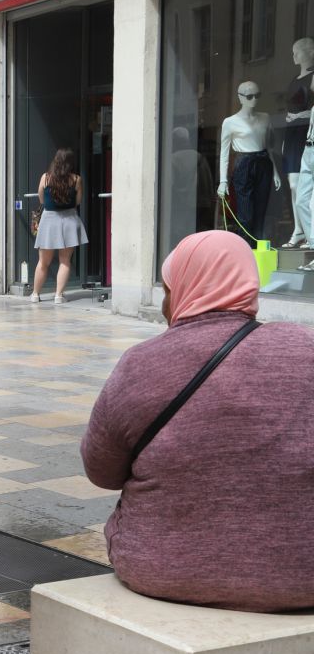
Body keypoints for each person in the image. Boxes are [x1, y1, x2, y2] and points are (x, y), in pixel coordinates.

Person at [81, 230, 314, 612]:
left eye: (168, 289)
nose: (164, 304)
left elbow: (101, 471)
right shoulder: (306, 348)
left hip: (166, 571)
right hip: (303, 578)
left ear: (186, 289)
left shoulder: (142, 364)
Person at [31, 148, 87, 304]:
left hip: (49, 221)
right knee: (65, 260)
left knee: (43, 262)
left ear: (55, 161)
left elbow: (41, 199)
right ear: (71, 163)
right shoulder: (76, 179)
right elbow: (78, 201)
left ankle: (35, 294)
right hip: (69, 219)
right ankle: (58, 296)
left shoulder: (45, 178)